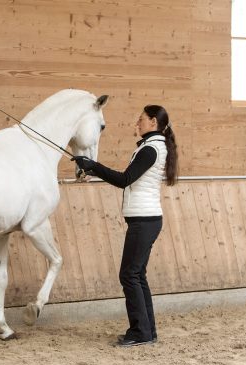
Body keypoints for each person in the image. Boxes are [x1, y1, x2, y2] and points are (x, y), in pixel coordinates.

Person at [72, 105, 179, 347]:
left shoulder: (150, 149)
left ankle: (141, 332)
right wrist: (92, 166)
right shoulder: (152, 147)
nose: (136, 123)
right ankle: (147, 330)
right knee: (137, 275)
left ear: (153, 122)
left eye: (141, 119)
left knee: (129, 275)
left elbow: (124, 179)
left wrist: (93, 165)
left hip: (144, 220)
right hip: (145, 219)